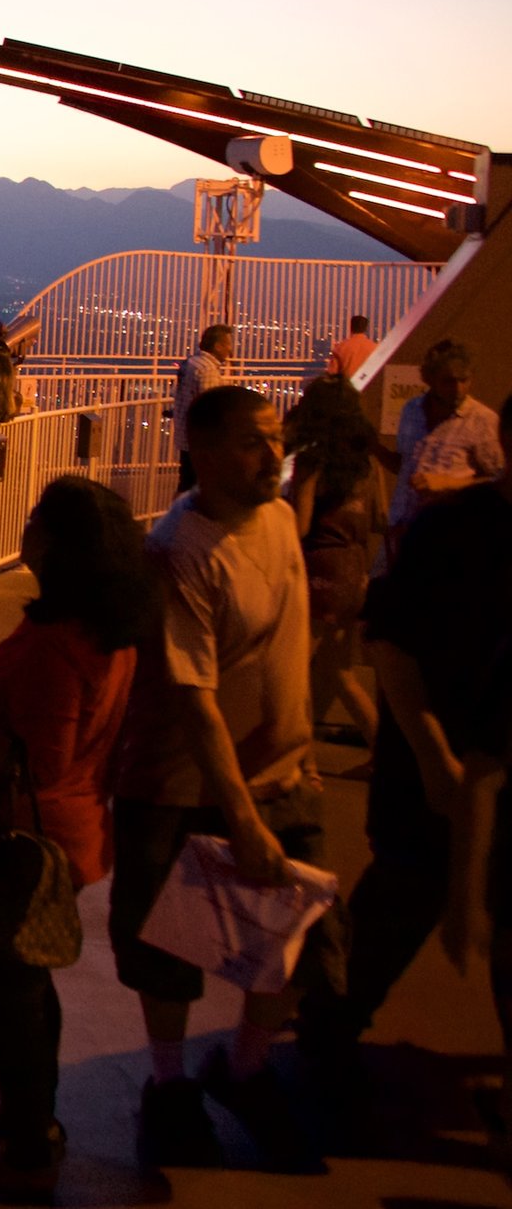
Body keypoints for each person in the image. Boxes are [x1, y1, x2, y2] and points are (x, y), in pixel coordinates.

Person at [107, 385, 334, 1174]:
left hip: (279, 770)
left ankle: (240, 1063)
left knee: (299, 939)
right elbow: (193, 699)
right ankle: (171, 1086)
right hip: (181, 785)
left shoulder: (274, 516)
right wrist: (241, 817)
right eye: (251, 443)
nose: (271, 454)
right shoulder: (180, 549)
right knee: (170, 948)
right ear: (200, 453)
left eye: (275, 439)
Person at [0, 477, 159, 1204]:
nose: (24, 533)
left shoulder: (59, 645)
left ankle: (29, 1154)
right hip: (76, 829)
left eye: (34, 524)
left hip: (22, 842)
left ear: (58, 544)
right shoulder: (104, 626)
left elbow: (39, 762)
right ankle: (34, 1114)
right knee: (30, 982)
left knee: (13, 993)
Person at [300, 393, 512, 1145]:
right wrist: (433, 757)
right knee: (390, 916)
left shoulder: (454, 524)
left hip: (470, 768)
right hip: (431, 773)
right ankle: (319, 1056)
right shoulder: (454, 530)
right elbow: (389, 641)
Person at [281, 375, 381, 743]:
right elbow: (377, 519)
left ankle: (294, 759)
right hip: (355, 571)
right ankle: (379, 749)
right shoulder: (363, 464)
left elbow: (301, 524)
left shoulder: (313, 459)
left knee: (292, 672)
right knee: (340, 672)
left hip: (321, 572)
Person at [381, 339, 502, 537]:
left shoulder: (482, 421)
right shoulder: (412, 410)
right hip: (404, 529)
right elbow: (405, 466)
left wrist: (449, 483)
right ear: (430, 379)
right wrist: (374, 448)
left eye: (464, 380)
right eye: (449, 381)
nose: (458, 389)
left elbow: (500, 480)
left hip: (451, 533)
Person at [170, 324, 233, 492]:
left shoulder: (190, 363)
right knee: (200, 486)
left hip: (185, 435)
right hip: (202, 440)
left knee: (186, 483)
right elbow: (210, 405)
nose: (230, 350)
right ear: (218, 346)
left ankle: (177, 516)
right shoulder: (207, 370)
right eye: (228, 344)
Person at [325, 314, 378, 381]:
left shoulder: (340, 347)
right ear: (365, 328)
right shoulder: (374, 348)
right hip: (367, 387)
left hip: (346, 388)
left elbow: (332, 373)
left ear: (351, 327)